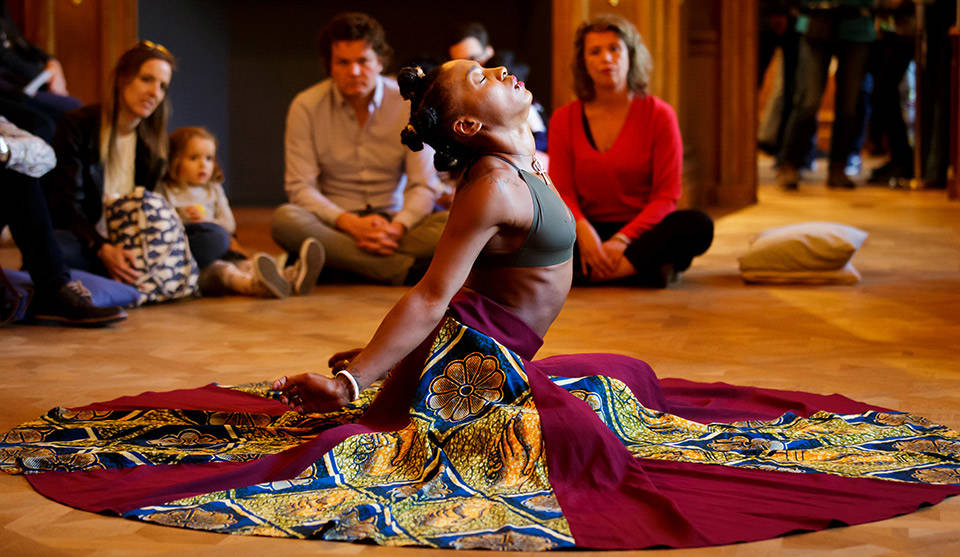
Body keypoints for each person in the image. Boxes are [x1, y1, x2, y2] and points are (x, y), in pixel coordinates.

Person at [3, 59, 959, 551]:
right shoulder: (490, 186)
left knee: (627, 376)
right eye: (487, 79)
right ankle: (370, 402)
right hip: (474, 366)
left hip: (502, 346)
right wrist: (357, 378)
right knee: (586, 446)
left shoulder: (522, 154)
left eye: (497, 69)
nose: (504, 75)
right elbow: (431, 292)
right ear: (469, 123)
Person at [271, 12, 447, 286]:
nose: (353, 71)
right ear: (329, 65)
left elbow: (423, 184)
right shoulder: (305, 106)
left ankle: (338, 262)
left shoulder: (407, 103)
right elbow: (300, 187)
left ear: (380, 62)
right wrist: (351, 224)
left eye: (363, 61)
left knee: (456, 223)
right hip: (336, 223)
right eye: (343, 62)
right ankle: (401, 270)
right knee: (285, 220)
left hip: (395, 224)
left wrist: (398, 226)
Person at [43, 42, 229, 288]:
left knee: (214, 237)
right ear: (123, 78)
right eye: (147, 79)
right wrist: (102, 248)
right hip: (88, 240)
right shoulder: (77, 126)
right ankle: (159, 275)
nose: (155, 92)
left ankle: (124, 275)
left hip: (137, 240)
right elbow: (66, 208)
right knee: (55, 247)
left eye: (162, 86)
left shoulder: (154, 145)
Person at [548, 14, 713, 287]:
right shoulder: (564, 118)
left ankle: (593, 274)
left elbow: (666, 195)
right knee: (536, 236)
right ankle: (642, 269)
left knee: (698, 225)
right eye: (595, 51)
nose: (606, 58)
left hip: (644, 230)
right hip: (586, 230)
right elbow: (562, 192)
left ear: (630, 56)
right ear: (583, 62)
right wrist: (583, 230)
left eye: (614, 48)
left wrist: (622, 239)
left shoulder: (660, 115)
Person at [157, 127, 324, 299]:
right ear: (175, 161)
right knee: (225, 270)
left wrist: (207, 221)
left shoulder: (213, 190)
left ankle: (290, 276)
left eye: (209, 158)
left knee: (246, 263)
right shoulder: (166, 191)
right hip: (196, 259)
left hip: (222, 249)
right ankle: (254, 286)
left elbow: (229, 225)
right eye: (193, 158)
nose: (203, 165)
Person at [1, 115, 126, 326]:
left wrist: (4, 149)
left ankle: (53, 290)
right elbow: (68, 209)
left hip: (98, 236)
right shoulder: (80, 126)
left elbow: (46, 155)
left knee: (20, 171)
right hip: (81, 232)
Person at [776, 0, 875, 190]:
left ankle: (838, 167)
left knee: (848, 104)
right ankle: (790, 163)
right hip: (816, 19)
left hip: (857, 24)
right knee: (809, 101)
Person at [447, 21, 549, 151]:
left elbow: (542, 140)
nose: (470, 71)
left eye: (474, 60)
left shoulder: (510, 88)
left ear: (489, 52)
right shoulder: (460, 104)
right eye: (459, 65)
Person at [0, 0, 81, 142]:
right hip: (9, 90)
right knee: (45, 125)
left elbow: (18, 39)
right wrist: (43, 77)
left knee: (75, 110)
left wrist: (51, 61)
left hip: (22, 85)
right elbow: (4, 56)